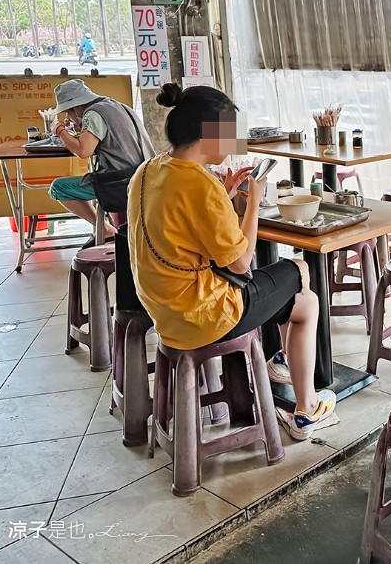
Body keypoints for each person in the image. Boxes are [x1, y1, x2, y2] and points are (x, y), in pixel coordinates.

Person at [127, 83, 336, 440]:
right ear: (209, 133)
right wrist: (253, 201)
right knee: (304, 288)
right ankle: (306, 407)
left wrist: (223, 196)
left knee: (295, 293)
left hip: (161, 309)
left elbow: (179, 226)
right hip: (200, 314)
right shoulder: (200, 185)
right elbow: (241, 264)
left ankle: (284, 363)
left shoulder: (147, 171)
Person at [48, 79, 154, 240]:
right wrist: (80, 126)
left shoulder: (93, 114)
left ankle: (105, 229)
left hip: (121, 183)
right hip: (146, 175)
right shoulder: (118, 106)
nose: (67, 116)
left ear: (77, 107)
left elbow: (83, 151)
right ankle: (105, 229)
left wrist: (59, 130)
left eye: (68, 112)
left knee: (58, 188)